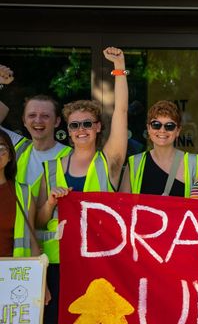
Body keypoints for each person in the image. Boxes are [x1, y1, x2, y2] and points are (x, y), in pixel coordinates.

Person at [35, 47, 129, 324]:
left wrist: (119, 68)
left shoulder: (109, 161)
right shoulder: (50, 169)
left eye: (88, 123)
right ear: (68, 129)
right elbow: (39, 221)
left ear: (99, 127)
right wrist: (51, 202)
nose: (81, 129)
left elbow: (121, 112)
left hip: (100, 264)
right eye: (75, 125)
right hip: (57, 266)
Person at [0, 65, 72, 198]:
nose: (38, 121)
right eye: (32, 115)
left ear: (57, 122)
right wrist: (1, 84)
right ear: (24, 121)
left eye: (45, 116)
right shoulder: (17, 146)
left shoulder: (71, 156)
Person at [0, 128, 51, 304]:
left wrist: (40, 283)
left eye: (2, 148)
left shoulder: (22, 192)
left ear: (10, 156)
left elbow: (31, 240)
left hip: (13, 277)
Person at [120, 100, 198, 196]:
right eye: (156, 125)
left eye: (169, 126)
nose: (162, 130)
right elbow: (123, 205)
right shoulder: (134, 163)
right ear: (148, 128)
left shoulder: (194, 163)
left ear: (178, 131)